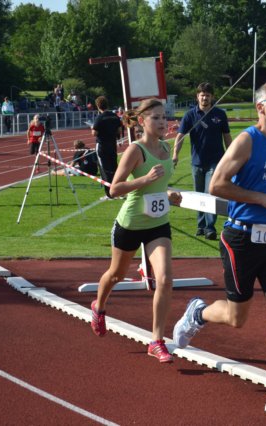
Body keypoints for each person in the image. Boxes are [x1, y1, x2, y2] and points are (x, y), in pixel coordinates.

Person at [173, 78, 266, 414]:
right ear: (261, 107)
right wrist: (259, 198)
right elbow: (217, 185)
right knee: (237, 317)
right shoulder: (246, 141)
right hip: (241, 239)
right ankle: (197, 313)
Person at [90, 98, 182, 364]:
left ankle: (156, 341)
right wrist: (144, 179)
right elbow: (114, 189)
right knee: (116, 275)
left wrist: (169, 193)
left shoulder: (165, 147)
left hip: (158, 225)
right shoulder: (135, 150)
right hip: (130, 224)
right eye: (156, 118)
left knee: (165, 279)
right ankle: (99, 306)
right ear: (141, 121)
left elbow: (158, 187)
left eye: (164, 117)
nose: (162, 122)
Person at [172, 82, 232, 240]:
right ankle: (201, 225)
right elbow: (180, 136)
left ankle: (210, 227)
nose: (205, 98)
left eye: (208, 95)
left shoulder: (220, 114)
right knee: (198, 195)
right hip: (197, 162)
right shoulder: (190, 115)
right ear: (197, 97)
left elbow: (227, 137)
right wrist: (175, 154)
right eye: (202, 95)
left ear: (212, 97)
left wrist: (232, 157)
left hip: (216, 161)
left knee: (210, 193)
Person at [92, 96, 122, 198]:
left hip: (102, 145)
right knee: (114, 167)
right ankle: (118, 191)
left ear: (98, 106)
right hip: (112, 145)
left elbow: (94, 133)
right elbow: (119, 130)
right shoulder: (115, 116)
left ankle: (109, 193)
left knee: (105, 170)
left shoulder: (100, 117)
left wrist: (93, 128)